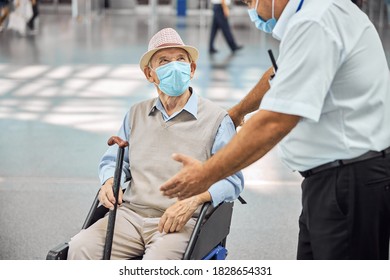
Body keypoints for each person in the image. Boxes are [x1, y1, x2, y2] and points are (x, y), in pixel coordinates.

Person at [160, 0, 390, 260]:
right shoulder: (315, 13)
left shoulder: (315, 21)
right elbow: (277, 75)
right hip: (331, 180)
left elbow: (276, 120)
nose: (252, 10)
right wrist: (237, 112)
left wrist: (206, 174)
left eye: (250, 2)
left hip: (348, 182)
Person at [67, 28, 244, 260]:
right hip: (129, 215)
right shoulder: (135, 114)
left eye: (181, 59)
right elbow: (114, 160)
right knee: (80, 248)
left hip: (179, 221)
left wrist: (195, 201)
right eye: (164, 61)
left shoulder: (216, 119)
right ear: (150, 75)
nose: (174, 66)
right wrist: (110, 181)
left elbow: (232, 180)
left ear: (191, 69)